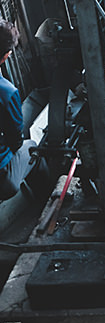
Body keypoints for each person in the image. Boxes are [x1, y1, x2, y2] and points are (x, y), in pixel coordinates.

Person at [0, 19, 39, 200]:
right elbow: (16, 142)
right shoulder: (6, 92)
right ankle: (44, 204)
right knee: (32, 148)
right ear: (6, 56)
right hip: (2, 179)